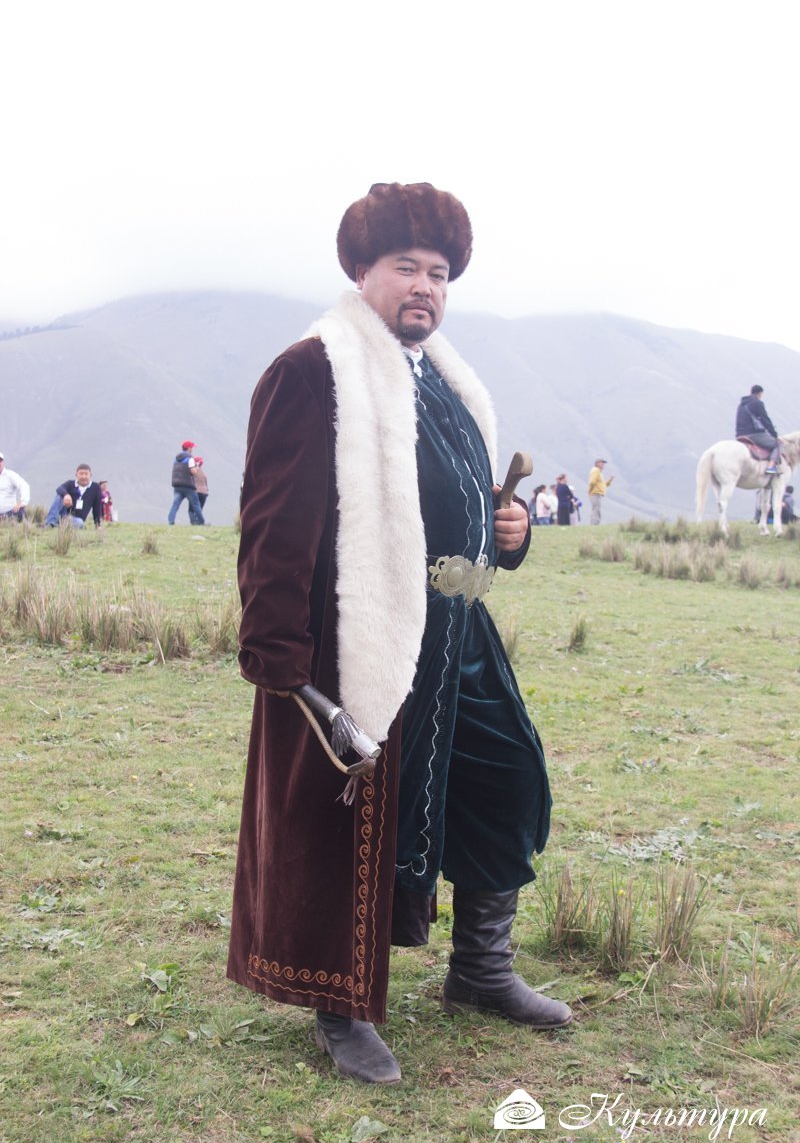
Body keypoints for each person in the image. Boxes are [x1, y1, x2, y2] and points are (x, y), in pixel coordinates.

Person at [228, 181, 571, 1086]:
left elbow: (460, 501)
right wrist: (284, 666)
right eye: (406, 267)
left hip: (460, 632)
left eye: (439, 273)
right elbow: (273, 528)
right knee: (353, 819)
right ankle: (339, 1008)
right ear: (361, 271)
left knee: (507, 781)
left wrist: (509, 533)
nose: (425, 287)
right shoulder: (314, 371)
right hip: (362, 634)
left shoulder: (444, 379)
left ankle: (481, 971)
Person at [735, 385, 781, 473]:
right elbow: (765, 419)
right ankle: (771, 467)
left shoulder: (741, 404)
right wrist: (774, 434)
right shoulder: (757, 403)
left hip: (740, 435)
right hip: (753, 434)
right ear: (760, 393)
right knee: (779, 444)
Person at [168, 441, 205, 525]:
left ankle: (171, 521)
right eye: (191, 447)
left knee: (175, 504)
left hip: (177, 485)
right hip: (188, 486)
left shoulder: (176, 459)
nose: (192, 449)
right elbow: (193, 471)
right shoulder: (190, 458)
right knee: (196, 504)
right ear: (188, 448)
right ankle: (201, 522)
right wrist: (196, 468)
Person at [0, 453, 30, 521]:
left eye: (0, 460)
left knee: (20, 512)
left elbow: (24, 485)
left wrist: (22, 502)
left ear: (3, 462)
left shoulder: (10, 475)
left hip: (9, 512)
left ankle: (4, 518)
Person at [587, 458, 614, 524]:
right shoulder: (596, 470)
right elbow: (592, 482)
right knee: (596, 510)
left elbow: (604, 485)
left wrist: (610, 479)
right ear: (597, 463)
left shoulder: (599, 472)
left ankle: (594, 523)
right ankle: (595, 524)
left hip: (596, 493)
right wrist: (590, 491)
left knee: (596, 509)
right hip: (595, 493)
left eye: (603, 463)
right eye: (602, 462)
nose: (603, 464)